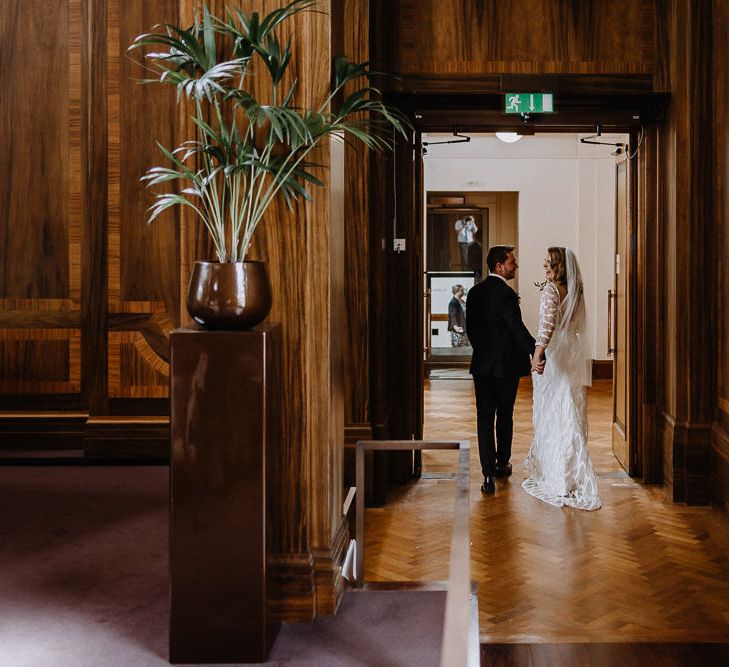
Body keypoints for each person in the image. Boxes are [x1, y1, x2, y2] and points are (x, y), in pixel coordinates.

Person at [523, 247, 601, 511]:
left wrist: (537, 356)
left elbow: (546, 327)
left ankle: (558, 477)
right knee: (570, 409)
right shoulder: (576, 290)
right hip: (572, 349)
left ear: (558, 266)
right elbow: (577, 324)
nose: (544, 265)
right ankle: (570, 474)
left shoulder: (551, 291)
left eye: (548, 262)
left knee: (554, 411)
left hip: (556, 353)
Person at [466, 246, 538, 494]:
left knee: (484, 418)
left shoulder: (474, 292)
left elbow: (471, 331)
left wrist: (484, 352)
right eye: (512, 262)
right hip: (506, 367)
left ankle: (487, 475)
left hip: (482, 366)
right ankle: (501, 464)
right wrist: (536, 350)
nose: (515, 266)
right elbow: (516, 326)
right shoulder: (506, 295)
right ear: (499, 266)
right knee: (504, 415)